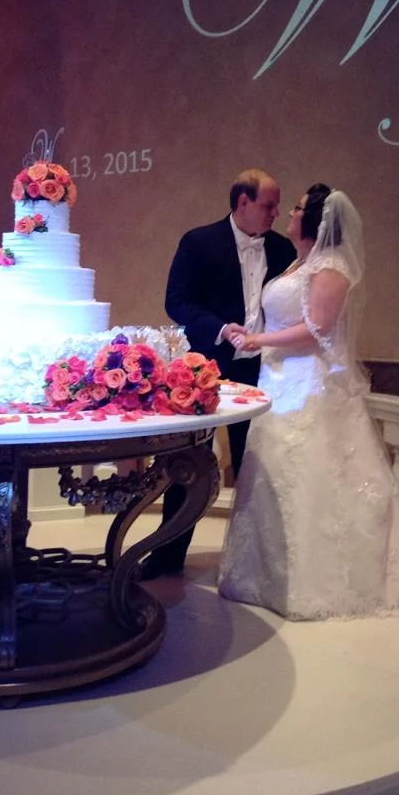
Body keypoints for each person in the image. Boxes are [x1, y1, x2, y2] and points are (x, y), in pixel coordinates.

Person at [218, 184, 399, 620]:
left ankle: (313, 585)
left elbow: (317, 329)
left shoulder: (333, 266)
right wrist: (245, 333)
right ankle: (264, 575)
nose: (287, 213)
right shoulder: (299, 263)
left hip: (309, 386)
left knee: (311, 478)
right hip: (277, 383)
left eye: (297, 208)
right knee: (276, 475)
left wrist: (259, 339)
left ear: (317, 220)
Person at [140, 169, 296, 580]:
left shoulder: (282, 249)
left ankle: (255, 563)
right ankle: (168, 555)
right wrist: (221, 329)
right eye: (268, 205)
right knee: (188, 463)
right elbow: (176, 302)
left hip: (265, 372)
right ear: (242, 202)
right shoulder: (198, 241)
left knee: (257, 466)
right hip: (205, 371)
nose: (276, 213)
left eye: (279, 206)